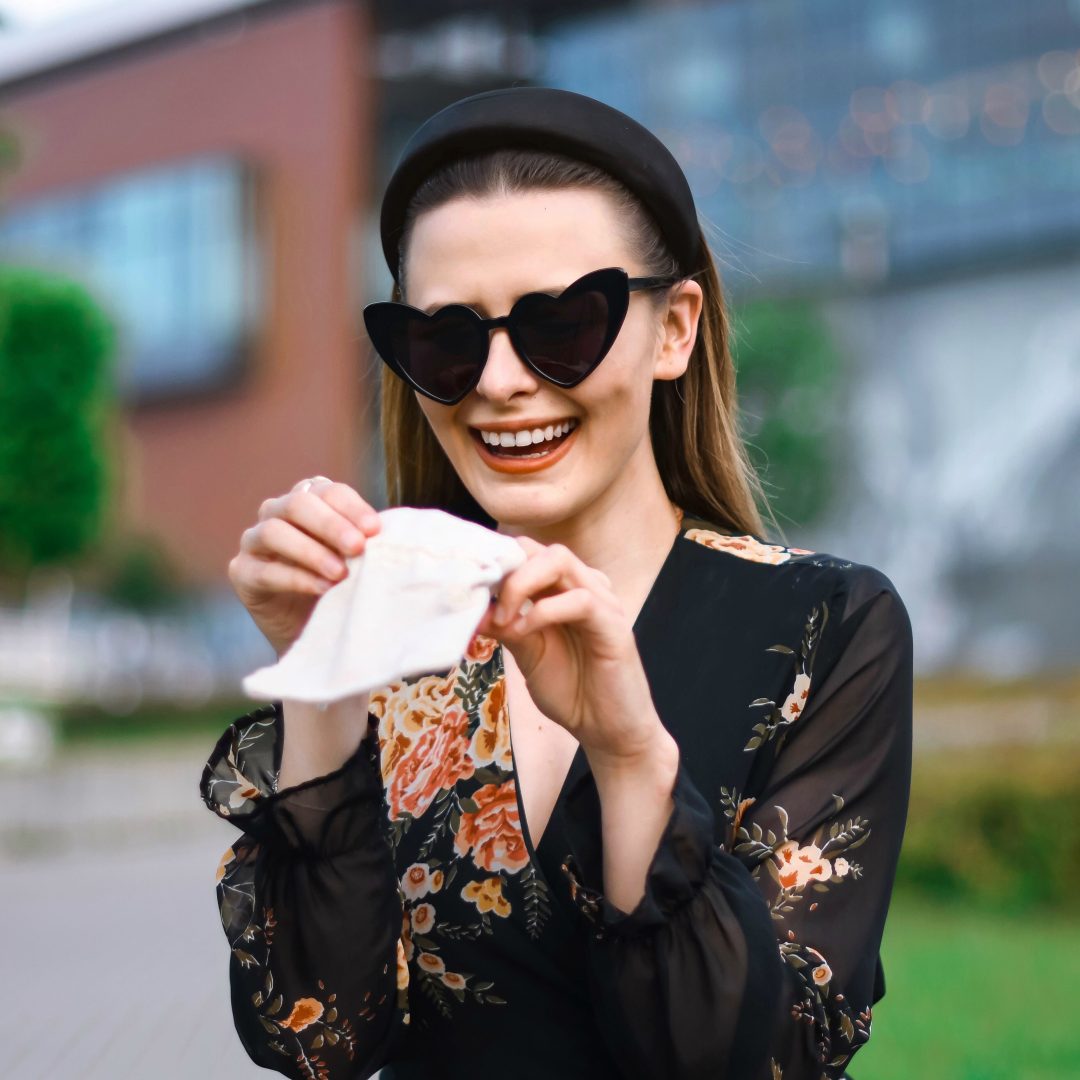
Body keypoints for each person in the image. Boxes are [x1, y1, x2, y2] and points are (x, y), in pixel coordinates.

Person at [199, 87, 912, 1080]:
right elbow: (315, 1040)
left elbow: (759, 1058)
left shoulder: (823, 630)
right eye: (447, 338)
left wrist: (628, 760)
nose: (497, 381)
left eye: (564, 324)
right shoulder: (399, 633)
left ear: (675, 331)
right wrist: (322, 673)